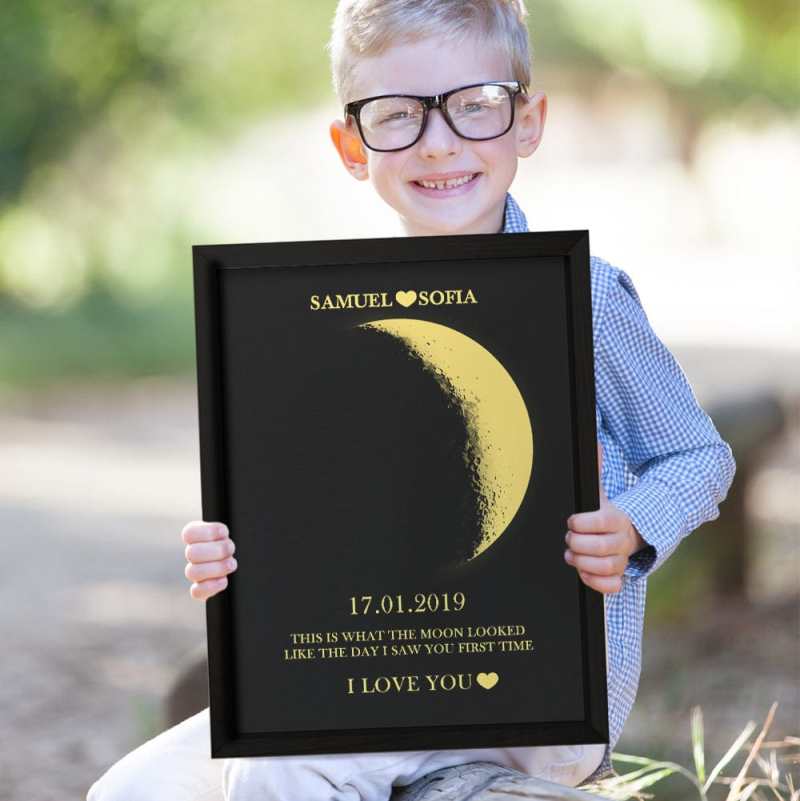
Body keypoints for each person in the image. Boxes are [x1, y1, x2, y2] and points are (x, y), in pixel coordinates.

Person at [86, 1, 737, 799]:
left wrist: (632, 525)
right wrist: (236, 551)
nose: (439, 142)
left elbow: (698, 456)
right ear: (350, 147)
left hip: (532, 695)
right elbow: (316, 509)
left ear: (528, 122)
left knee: (275, 771)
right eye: (397, 114)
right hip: (367, 669)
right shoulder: (318, 322)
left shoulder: (584, 300)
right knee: (132, 789)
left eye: (476, 105)